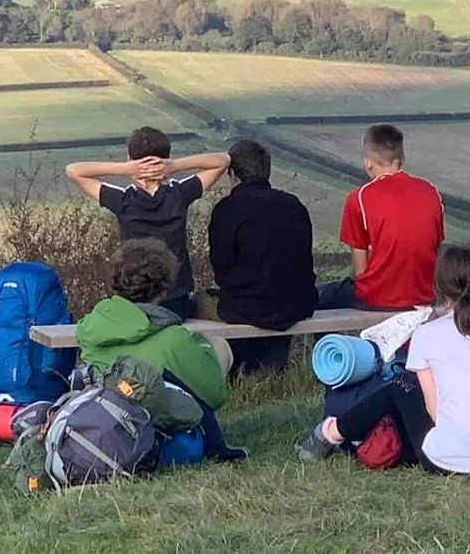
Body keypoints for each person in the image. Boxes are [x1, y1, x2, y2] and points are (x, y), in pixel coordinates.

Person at [298, 246, 470, 475]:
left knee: (400, 386)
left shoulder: (427, 333)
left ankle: (331, 434)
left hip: (448, 462)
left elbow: (434, 411)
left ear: (438, 285)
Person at [77, 238, 245, 460]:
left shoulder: (90, 328)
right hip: (156, 431)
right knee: (218, 346)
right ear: (164, 292)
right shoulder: (174, 339)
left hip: (104, 427)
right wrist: (203, 345)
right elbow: (215, 395)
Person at [66, 126, 230, 319]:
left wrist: (124, 169)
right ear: (166, 157)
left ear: (130, 159)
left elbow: (74, 171)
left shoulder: (123, 201)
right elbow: (223, 160)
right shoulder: (179, 195)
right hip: (177, 296)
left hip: (135, 297)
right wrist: (174, 166)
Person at [200, 140, 318, 373]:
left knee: (198, 301)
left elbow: (221, 268)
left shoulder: (228, 209)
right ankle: (270, 371)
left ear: (232, 174)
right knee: (275, 294)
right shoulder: (294, 205)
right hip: (297, 305)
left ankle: (232, 372)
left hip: (247, 308)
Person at [317, 124, 444, 311]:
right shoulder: (431, 192)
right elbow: (436, 249)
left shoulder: (359, 198)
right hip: (426, 295)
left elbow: (360, 271)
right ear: (402, 159)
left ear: (368, 162)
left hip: (376, 296)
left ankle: (328, 341)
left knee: (318, 296)